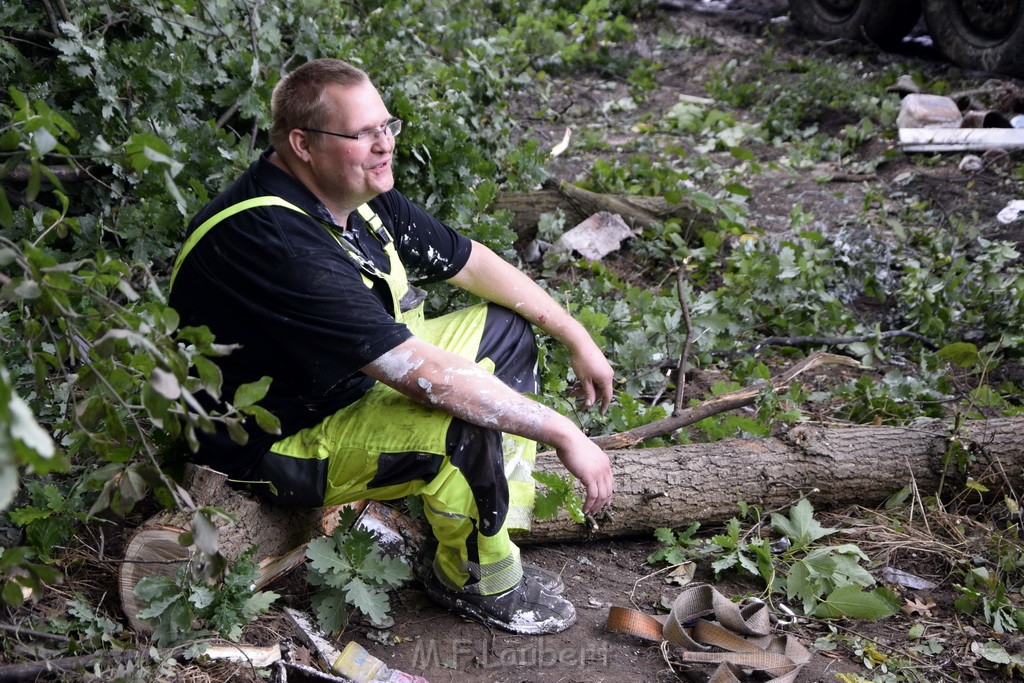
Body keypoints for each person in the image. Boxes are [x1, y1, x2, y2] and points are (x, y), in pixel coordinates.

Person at [168, 58, 614, 635]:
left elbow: (471, 262)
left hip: (345, 381)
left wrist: (575, 334)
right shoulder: (275, 240)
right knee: (465, 422)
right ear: (302, 144)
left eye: (387, 127)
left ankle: (476, 516)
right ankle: (476, 578)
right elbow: (423, 374)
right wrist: (563, 430)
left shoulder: (351, 190)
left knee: (507, 330)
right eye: (363, 134)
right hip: (274, 443)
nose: (384, 146)